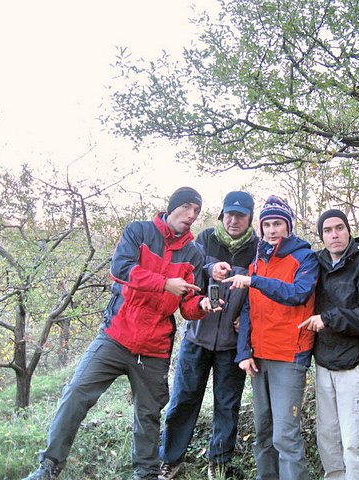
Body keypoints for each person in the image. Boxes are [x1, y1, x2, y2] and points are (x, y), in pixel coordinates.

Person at [23, 187, 225, 480]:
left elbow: (186, 305)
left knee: (148, 414)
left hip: (155, 346)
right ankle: (49, 466)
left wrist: (203, 304)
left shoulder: (193, 253)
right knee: (76, 393)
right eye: (187, 207)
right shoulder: (139, 232)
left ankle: (145, 474)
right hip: (116, 335)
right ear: (172, 206)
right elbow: (121, 269)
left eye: (197, 210)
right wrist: (164, 283)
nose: (192, 215)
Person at [158, 191, 258, 480]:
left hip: (232, 343)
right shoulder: (203, 240)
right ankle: (171, 459)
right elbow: (187, 274)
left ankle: (220, 461)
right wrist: (209, 268)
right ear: (222, 214)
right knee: (184, 400)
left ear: (250, 217)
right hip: (196, 338)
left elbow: (261, 288)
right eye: (229, 213)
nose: (233, 219)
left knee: (227, 405)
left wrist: (248, 321)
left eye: (240, 215)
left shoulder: (258, 248)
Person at [226, 195, 318, 480]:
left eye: (278, 223)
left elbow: (297, 294)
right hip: (259, 357)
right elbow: (248, 308)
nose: (271, 230)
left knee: (286, 437)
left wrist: (255, 281)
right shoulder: (257, 262)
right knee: (263, 433)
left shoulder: (305, 258)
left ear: (288, 227)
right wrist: (243, 353)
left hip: (290, 356)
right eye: (266, 224)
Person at [299, 209, 359, 480]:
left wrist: (328, 319)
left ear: (348, 231)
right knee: (328, 442)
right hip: (325, 365)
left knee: (354, 443)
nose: (334, 234)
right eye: (327, 230)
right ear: (321, 236)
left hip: (357, 366)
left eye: (339, 228)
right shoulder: (317, 265)